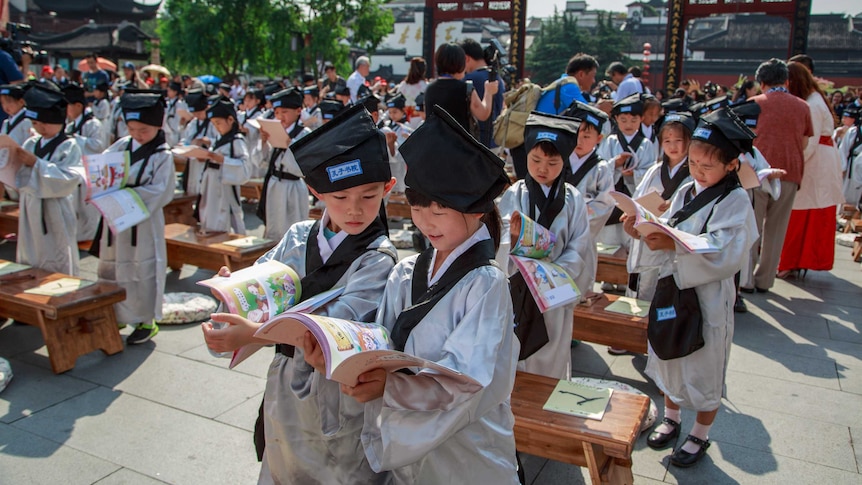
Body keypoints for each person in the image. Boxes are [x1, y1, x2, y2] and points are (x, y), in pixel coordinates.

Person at [203, 103, 398, 484]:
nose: (355, 210)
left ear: (388, 188)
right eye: (339, 198)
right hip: (285, 382)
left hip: (338, 393)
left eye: (369, 196)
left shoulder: (379, 260)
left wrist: (255, 332)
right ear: (316, 192)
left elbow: (334, 329)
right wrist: (236, 290)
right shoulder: (297, 236)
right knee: (283, 464)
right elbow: (262, 292)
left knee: (339, 470)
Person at [343, 105, 518, 483]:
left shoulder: (486, 284)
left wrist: (391, 385)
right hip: (407, 434)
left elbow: (467, 382)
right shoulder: (407, 271)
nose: (425, 221)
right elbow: (380, 339)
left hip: (467, 450)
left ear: (475, 209)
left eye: (440, 208)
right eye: (417, 206)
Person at [630, 108, 757, 468]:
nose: (697, 171)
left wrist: (671, 244)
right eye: (694, 162)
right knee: (669, 352)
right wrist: (642, 228)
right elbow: (668, 227)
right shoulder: (687, 188)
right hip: (673, 288)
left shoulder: (735, 201)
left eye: (707, 167)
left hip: (708, 296)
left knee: (705, 364)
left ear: (732, 165)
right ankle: (671, 415)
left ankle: (700, 433)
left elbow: (728, 253)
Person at [498, 112, 593, 378]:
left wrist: (552, 275)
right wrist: (513, 240)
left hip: (555, 291)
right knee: (514, 358)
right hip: (520, 286)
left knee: (553, 355)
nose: (543, 168)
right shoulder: (515, 194)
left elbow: (580, 244)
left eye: (552, 162)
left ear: (565, 161)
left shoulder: (573, 199)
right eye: (535, 160)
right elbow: (501, 240)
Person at [92, 89, 174, 345]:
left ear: (157, 126)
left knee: (143, 267)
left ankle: (145, 320)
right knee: (114, 266)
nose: (138, 135)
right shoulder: (120, 145)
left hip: (143, 222)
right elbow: (102, 169)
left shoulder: (163, 155)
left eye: (144, 130)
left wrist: (123, 195)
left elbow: (160, 191)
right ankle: (117, 312)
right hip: (115, 219)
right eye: (133, 129)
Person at [742, 59, 813, 293]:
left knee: (752, 226)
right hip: (790, 171)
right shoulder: (803, 106)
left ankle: (746, 280)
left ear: (762, 83)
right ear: (786, 81)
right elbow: (804, 141)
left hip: (757, 173)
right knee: (777, 228)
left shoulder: (754, 103)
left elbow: (746, 139)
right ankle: (765, 279)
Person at [3, 83, 81, 275]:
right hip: (30, 206)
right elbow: (20, 175)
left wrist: (37, 164)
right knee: (31, 254)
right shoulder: (31, 142)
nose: (41, 128)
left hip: (55, 208)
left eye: (46, 123)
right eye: (36, 124)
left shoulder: (69, 146)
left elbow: (69, 178)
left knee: (57, 254)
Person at [776, 62, 844, 279]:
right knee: (805, 214)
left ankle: (789, 261)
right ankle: (794, 261)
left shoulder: (812, 104)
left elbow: (810, 142)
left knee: (797, 214)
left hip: (814, 164)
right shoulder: (815, 99)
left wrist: (793, 164)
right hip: (821, 162)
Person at [626, 112, 695, 303]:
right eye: (667, 140)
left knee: (663, 298)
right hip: (644, 240)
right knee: (640, 296)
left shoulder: (694, 175)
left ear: (690, 141)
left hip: (669, 245)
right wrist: (630, 215)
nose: (672, 146)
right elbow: (637, 199)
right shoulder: (654, 171)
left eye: (678, 140)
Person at [596, 93, 657, 290]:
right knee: (609, 238)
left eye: (633, 119)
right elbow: (601, 165)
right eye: (623, 120)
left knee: (630, 237)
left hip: (633, 194)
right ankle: (608, 277)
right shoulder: (611, 140)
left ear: (641, 120)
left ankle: (625, 278)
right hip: (613, 194)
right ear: (616, 120)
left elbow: (650, 170)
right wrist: (615, 164)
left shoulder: (647, 144)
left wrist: (634, 173)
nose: (628, 123)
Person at [188, 98, 251, 234]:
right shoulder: (217, 139)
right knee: (210, 213)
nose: (216, 127)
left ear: (230, 120)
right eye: (213, 124)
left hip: (225, 185)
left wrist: (223, 160)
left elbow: (245, 165)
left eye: (218, 123)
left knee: (229, 217)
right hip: (210, 183)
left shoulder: (237, 140)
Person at [256, 87, 311, 241]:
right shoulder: (275, 129)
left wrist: (289, 144)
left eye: (285, 112)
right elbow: (262, 163)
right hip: (274, 185)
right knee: (274, 227)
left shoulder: (304, 134)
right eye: (277, 112)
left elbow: (303, 168)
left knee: (293, 230)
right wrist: (264, 142)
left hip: (293, 187)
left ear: (298, 111)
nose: (280, 117)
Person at [561, 101, 615, 240]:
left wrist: (582, 215)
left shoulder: (601, 168)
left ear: (598, 138)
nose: (579, 141)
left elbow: (606, 204)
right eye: (576, 135)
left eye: (586, 137)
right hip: (555, 226)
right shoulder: (559, 161)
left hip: (583, 231)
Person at [423, 42, 498, 133]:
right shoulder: (466, 88)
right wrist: (488, 92)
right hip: (458, 144)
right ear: (460, 64)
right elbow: (483, 114)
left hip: (434, 143)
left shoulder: (430, 88)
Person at [461, 39, 505, 150]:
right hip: (495, 142)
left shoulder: (469, 80)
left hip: (475, 142)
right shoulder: (497, 78)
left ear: (466, 58)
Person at [179, 89, 218, 196]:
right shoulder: (193, 123)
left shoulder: (214, 122)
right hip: (193, 161)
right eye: (194, 113)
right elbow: (186, 139)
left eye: (199, 113)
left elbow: (220, 140)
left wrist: (208, 140)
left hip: (207, 160)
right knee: (192, 188)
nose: (197, 115)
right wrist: (182, 145)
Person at [164, 81, 187, 147]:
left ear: (175, 92)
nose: (168, 92)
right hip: (167, 129)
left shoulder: (180, 103)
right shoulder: (167, 102)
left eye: (170, 90)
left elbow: (183, 117)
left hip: (176, 131)